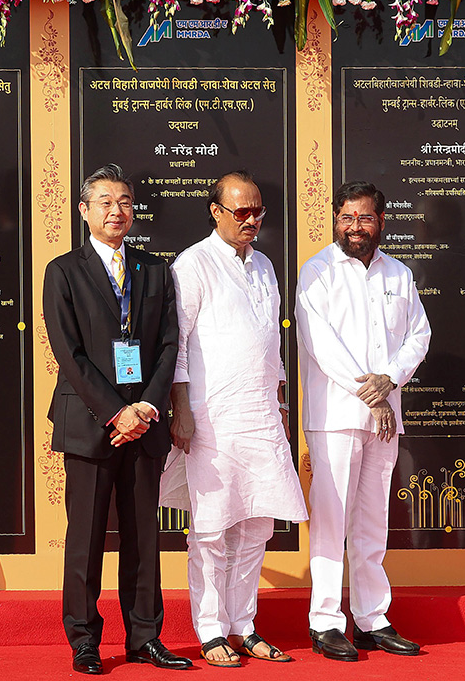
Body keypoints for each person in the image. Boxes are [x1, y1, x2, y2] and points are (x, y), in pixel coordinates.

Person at [43, 164, 192, 674]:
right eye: (104, 201)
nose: (116, 210)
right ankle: (84, 639)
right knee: (85, 538)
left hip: (145, 425)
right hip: (90, 424)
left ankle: (145, 637)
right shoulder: (62, 271)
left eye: (125, 201)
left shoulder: (154, 270)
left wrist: (146, 407)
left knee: (143, 538)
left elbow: (171, 342)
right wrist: (115, 412)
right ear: (84, 211)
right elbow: (70, 353)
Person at [160, 171, 308, 667]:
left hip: (261, 412)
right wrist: (181, 411)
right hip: (210, 417)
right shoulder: (192, 265)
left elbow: (272, 343)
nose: (251, 221)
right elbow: (176, 344)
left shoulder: (265, 264)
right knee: (211, 528)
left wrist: (281, 405)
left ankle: (243, 625)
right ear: (216, 211)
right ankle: (209, 630)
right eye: (240, 212)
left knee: (257, 523)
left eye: (258, 211)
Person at [296, 181, 431, 661]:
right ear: (335, 219)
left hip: (384, 416)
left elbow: (419, 334)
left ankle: (373, 619)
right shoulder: (317, 272)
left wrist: (390, 381)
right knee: (332, 521)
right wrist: (368, 392)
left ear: (380, 221)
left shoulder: (399, 274)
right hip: (336, 416)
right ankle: (326, 622)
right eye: (347, 218)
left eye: (365, 218)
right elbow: (321, 345)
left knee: (374, 519)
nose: (355, 227)